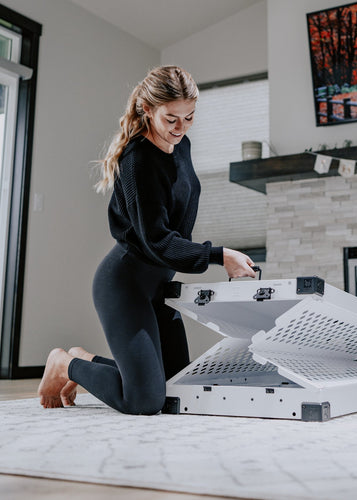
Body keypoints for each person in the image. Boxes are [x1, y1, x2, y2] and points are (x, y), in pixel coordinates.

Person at [38, 65, 256, 414]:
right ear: (147, 110)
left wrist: (212, 257)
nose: (180, 128)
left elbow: (176, 229)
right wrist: (220, 255)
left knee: (176, 389)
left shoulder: (181, 147)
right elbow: (157, 241)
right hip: (125, 285)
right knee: (145, 400)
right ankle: (65, 364)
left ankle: (83, 358)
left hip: (159, 287)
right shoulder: (138, 160)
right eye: (171, 119)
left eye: (189, 117)